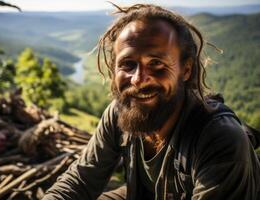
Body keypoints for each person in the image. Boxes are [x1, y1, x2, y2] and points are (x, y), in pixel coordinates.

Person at [43, 4, 260, 200]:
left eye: (156, 63)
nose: (138, 79)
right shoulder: (120, 112)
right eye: (128, 64)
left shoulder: (218, 138)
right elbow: (81, 180)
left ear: (186, 70)